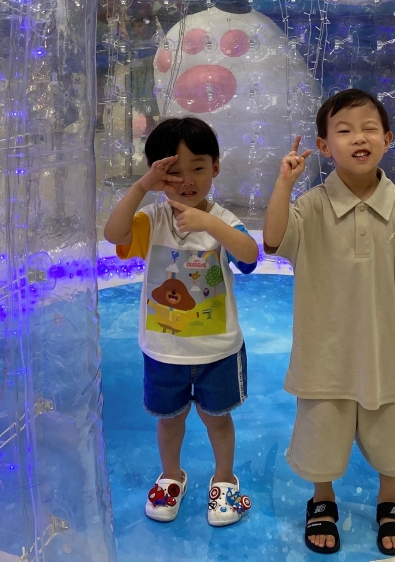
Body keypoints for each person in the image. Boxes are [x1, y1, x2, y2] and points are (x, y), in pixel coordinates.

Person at [262, 89, 395, 556]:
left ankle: (389, 498)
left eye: (368, 129)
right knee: (322, 424)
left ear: (387, 139)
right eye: (344, 131)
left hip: (383, 345)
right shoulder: (312, 206)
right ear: (324, 146)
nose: (358, 138)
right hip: (324, 347)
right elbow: (273, 240)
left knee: (389, 424)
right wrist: (283, 185)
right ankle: (322, 498)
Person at [104, 117, 259, 527]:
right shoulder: (152, 219)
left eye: (198, 168)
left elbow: (249, 256)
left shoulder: (221, 219)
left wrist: (210, 223)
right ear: (158, 175)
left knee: (217, 419)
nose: (187, 180)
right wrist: (141, 187)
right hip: (163, 350)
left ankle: (224, 479)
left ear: (215, 168)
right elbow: (114, 233)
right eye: (174, 172)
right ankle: (171, 475)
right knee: (169, 420)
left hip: (217, 351)